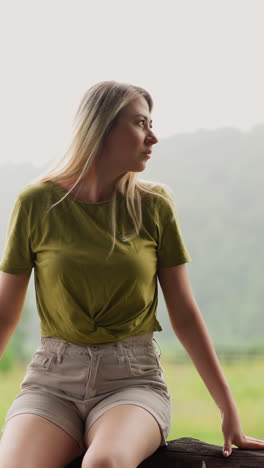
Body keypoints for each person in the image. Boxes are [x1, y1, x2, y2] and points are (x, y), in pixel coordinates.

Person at [0, 81, 263, 468]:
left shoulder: (154, 207)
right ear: (101, 127)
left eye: (151, 124)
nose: (153, 136)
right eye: (141, 123)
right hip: (50, 382)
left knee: (104, 463)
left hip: (132, 381)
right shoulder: (36, 204)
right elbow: (5, 314)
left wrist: (228, 409)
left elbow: (185, 315)